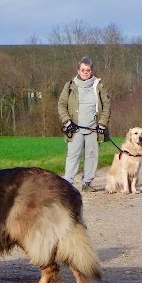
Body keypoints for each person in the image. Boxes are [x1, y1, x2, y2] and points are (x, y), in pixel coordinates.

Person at [58, 57, 111, 192]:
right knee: (73, 156)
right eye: (83, 70)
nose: (85, 72)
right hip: (75, 128)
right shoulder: (70, 85)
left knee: (92, 156)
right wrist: (66, 121)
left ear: (92, 71)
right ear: (78, 70)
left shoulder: (99, 85)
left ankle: (87, 183)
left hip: (93, 128)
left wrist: (102, 123)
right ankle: (67, 184)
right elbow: (61, 105)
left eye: (88, 70)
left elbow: (107, 106)